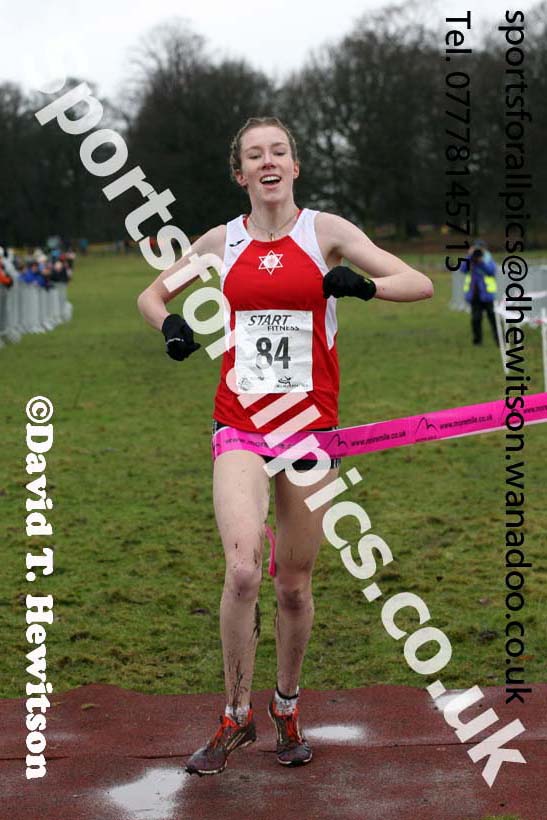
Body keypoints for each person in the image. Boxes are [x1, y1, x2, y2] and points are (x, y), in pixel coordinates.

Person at [136, 116, 433, 776]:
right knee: (243, 569)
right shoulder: (220, 241)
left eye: (279, 151)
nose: (268, 161)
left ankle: (286, 705)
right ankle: (234, 713)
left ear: (294, 166)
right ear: (240, 175)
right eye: (253, 155)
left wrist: (363, 285)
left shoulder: (325, 233)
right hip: (238, 420)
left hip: (308, 430)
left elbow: (419, 282)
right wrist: (174, 326)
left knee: (293, 587)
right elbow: (151, 294)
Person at [459, 240, 498, 346]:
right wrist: (469, 256)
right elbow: (462, 269)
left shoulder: (488, 259)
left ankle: (498, 340)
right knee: (476, 319)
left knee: (493, 319)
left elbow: (491, 271)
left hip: (487, 295)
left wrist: (481, 262)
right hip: (474, 294)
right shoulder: (470, 260)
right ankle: (477, 341)